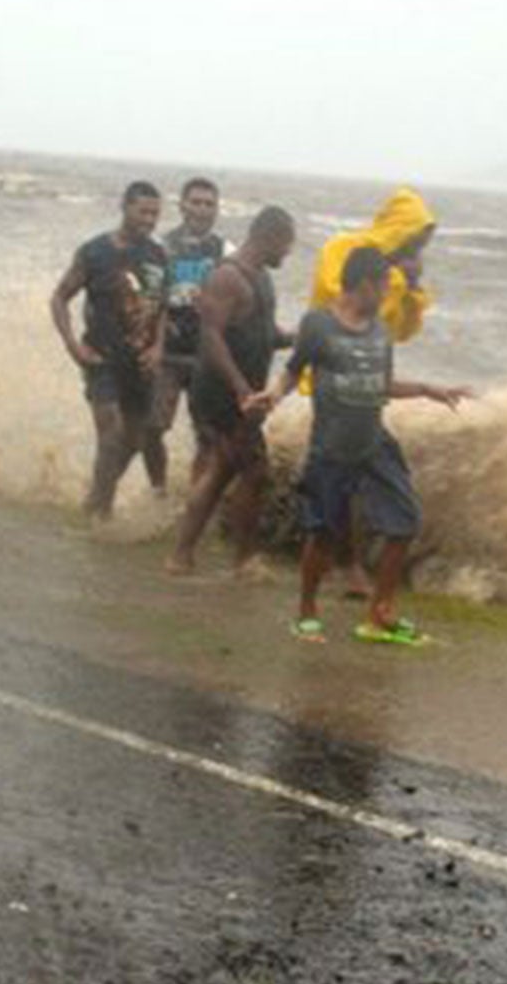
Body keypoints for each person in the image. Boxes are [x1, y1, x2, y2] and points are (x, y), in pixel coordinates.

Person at [267, 247, 472, 644]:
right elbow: (294, 372)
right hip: (332, 444)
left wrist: (429, 389)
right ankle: (306, 613)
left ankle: (379, 615)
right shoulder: (318, 324)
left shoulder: (380, 330)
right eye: (383, 286)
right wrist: (273, 395)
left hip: (374, 440)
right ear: (363, 284)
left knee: (405, 520)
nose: (386, 295)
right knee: (323, 533)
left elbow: (382, 384)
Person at [306, 187, 439, 594]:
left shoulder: (394, 276)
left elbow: (399, 331)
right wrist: (397, 279)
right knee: (339, 486)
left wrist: (412, 290)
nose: (416, 249)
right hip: (333, 384)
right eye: (414, 240)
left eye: (422, 244)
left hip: (367, 387)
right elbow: (339, 299)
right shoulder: (346, 248)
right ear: (398, 229)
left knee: (359, 485)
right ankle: (343, 568)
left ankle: (351, 564)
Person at [165, 205, 295, 577]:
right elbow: (211, 337)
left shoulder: (261, 278)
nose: (287, 253)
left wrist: (307, 338)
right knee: (252, 471)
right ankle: (241, 559)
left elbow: (265, 335)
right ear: (267, 237)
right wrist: (240, 389)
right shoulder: (226, 276)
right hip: (222, 393)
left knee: (225, 471)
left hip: (245, 394)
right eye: (285, 245)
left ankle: (184, 554)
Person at [50, 181, 170, 518]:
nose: (149, 220)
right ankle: (101, 515)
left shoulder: (158, 255)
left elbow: (161, 307)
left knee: (134, 441)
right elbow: (59, 298)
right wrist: (72, 345)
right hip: (101, 359)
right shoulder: (94, 252)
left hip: (141, 364)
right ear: (125, 207)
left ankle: (94, 497)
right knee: (112, 435)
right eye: (143, 211)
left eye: (156, 214)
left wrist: (159, 347)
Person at [151, 177, 228, 480]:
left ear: (217, 210)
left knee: (207, 435)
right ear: (182, 205)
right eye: (195, 202)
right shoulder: (160, 246)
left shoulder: (225, 250)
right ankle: (159, 488)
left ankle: (195, 496)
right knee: (151, 429)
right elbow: (147, 295)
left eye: (209, 204)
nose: (202, 209)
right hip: (166, 352)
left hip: (206, 357)